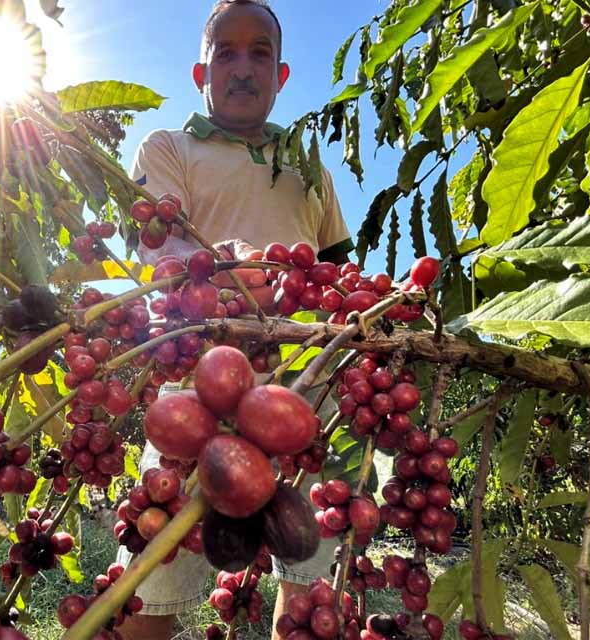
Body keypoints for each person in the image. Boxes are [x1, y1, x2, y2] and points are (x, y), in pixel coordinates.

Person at [116, 2, 354, 639]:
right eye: (226, 52)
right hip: (200, 382)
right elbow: (161, 256)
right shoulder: (169, 148)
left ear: (281, 75)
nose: (243, 68)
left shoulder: (310, 171)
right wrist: (222, 271)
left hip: (305, 386)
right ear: (201, 73)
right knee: (155, 569)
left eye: (260, 53)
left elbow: (338, 275)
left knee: (307, 571)